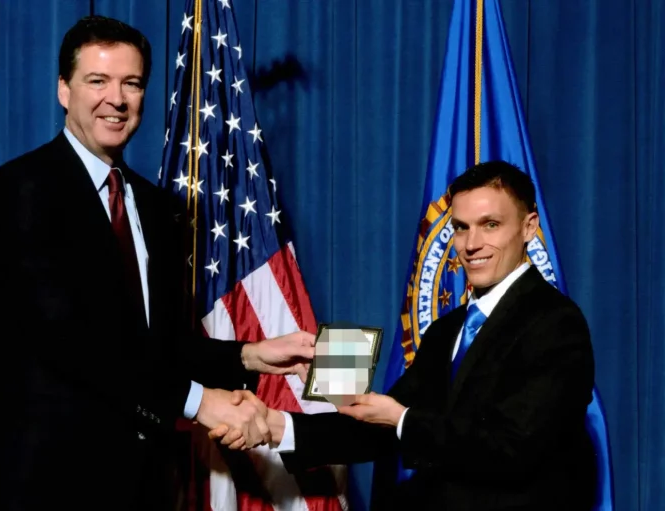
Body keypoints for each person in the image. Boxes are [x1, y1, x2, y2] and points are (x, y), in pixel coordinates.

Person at [0, 15, 312, 511]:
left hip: (145, 486)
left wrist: (251, 355)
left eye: (131, 84)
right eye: (97, 81)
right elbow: (67, 342)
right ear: (64, 90)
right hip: (53, 485)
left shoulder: (156, 207)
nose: (116, 99)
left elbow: (161, 346)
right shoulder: (22, 189)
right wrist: (201, 402)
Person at [212, 161, 597, 510]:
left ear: (529, 227)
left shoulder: (556, 322)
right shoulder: (449, 328)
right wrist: (276, 424)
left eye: (490, 225)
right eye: (461, 227)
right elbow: (381, 427)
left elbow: (514, 448)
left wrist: (401, 419)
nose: (471, 244)